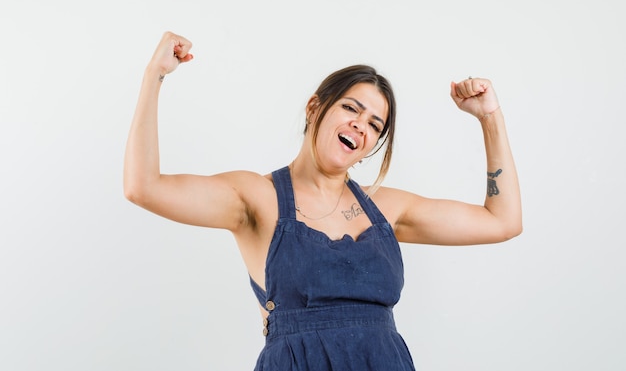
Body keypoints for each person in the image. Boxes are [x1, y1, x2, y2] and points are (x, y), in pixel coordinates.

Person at [124, 31, 522, 370]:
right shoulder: (257, 198)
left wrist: (490, 117)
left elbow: (502, 222)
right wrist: (154, 74)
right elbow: (143, 187)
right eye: (351, 108)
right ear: (315, 108)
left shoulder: (386, 210)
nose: (359, 125)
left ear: (369, 147)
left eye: (374, 124)